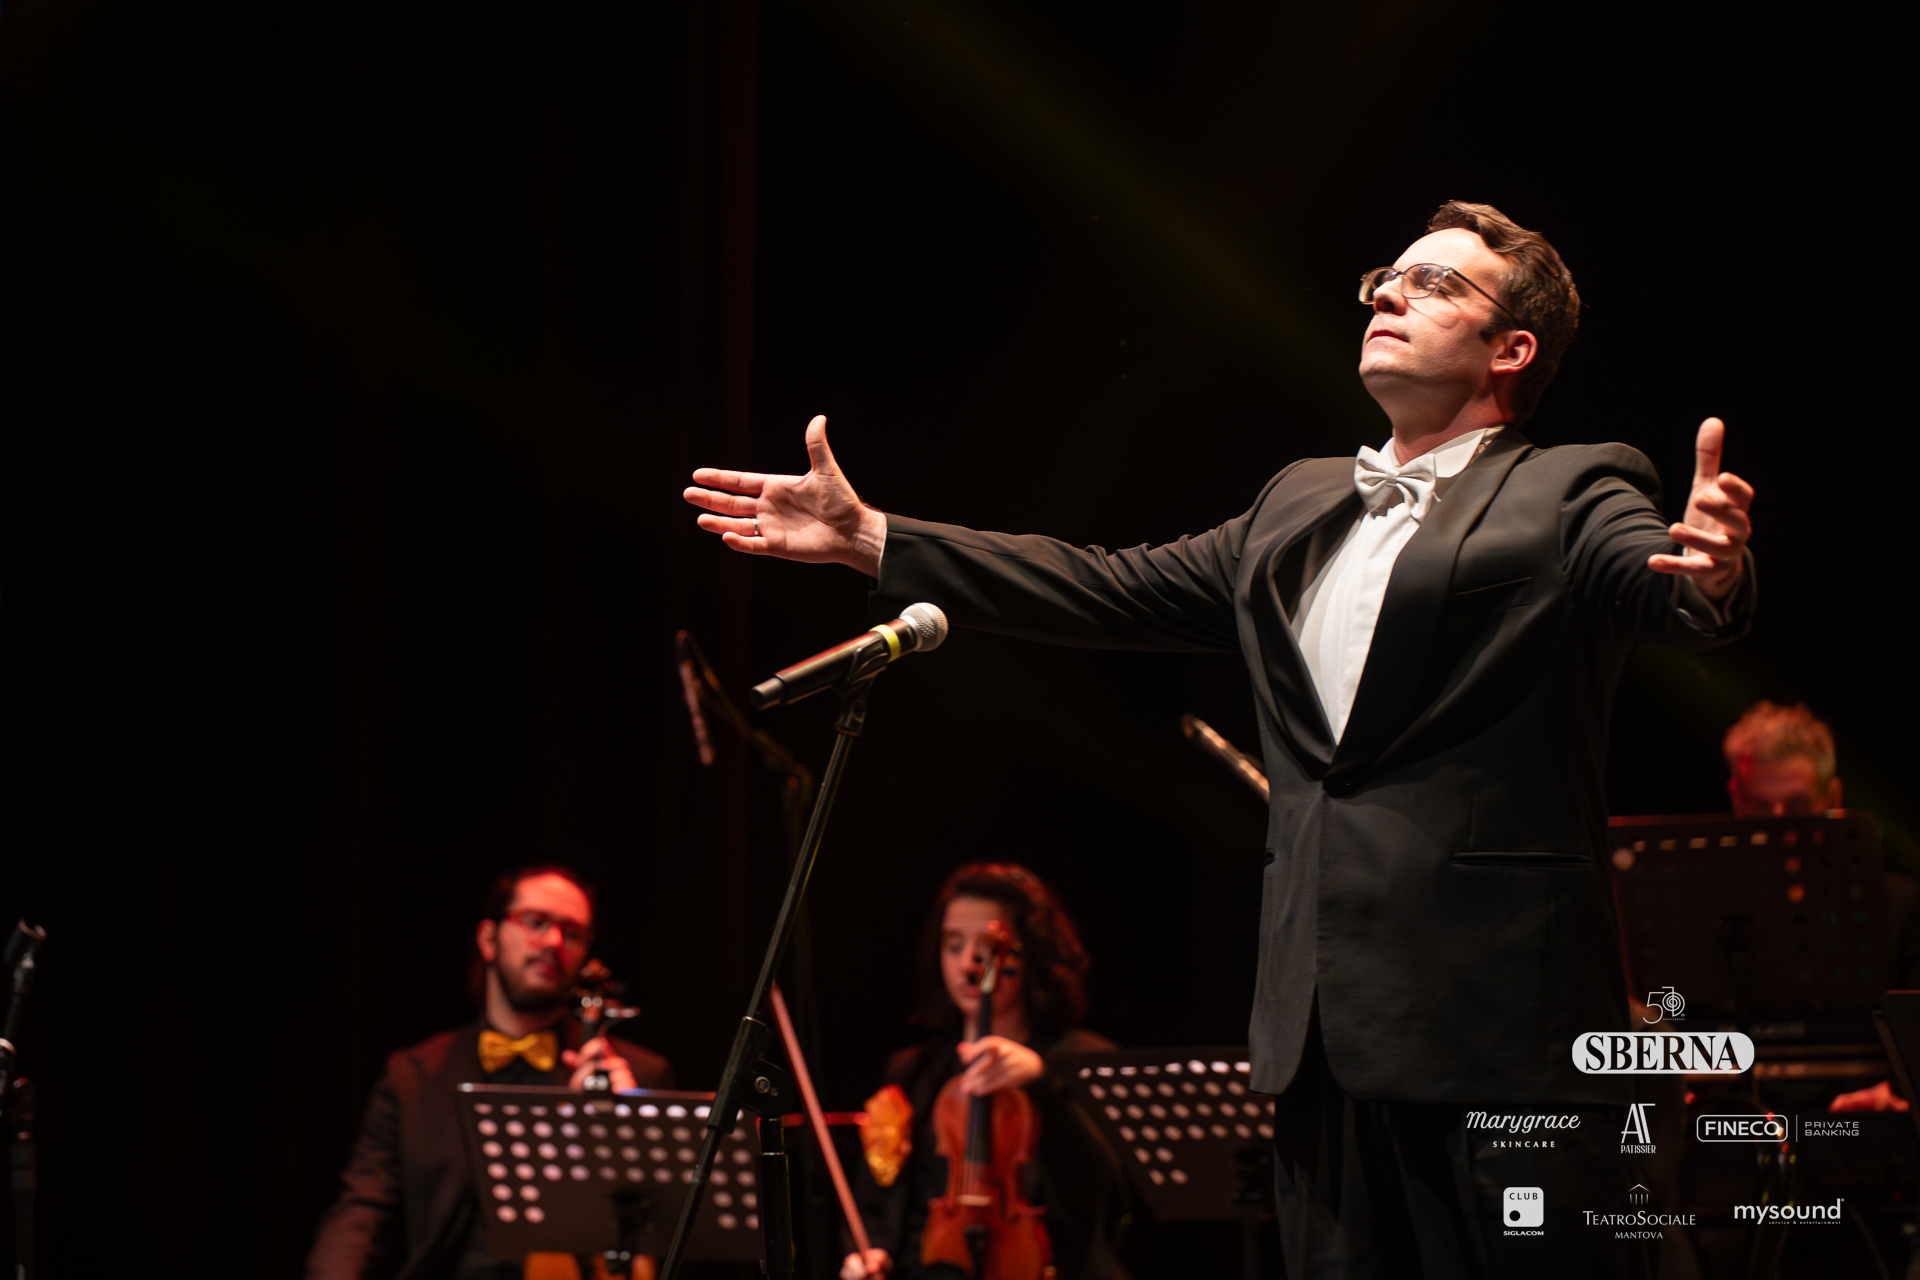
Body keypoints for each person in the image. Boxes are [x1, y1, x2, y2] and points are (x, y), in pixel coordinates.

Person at [686, 200, 1757, 1276]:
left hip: (1502, 1034)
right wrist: (874, 540)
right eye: (1385, 277)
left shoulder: (1572, 485)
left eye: (1433, 284)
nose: (1388, 293)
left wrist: (1710, 575)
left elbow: (1657, 581)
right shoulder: (1299, 499)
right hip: (1321, 1036)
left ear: (1511, 348)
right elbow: (1104, 584)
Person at [307, 867, 675, 1280]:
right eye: (535, 922)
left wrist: (619, 1130)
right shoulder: (413, 1075)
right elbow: (363, 1210)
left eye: (572, 933)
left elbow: (663, 1235)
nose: (554, 942)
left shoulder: (638, 1075)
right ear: (488, 939)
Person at [841, 863, 1128, 1280]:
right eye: (954, 945)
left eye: (988, 947)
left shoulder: (1081, 1059)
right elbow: (876, 1197)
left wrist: (1045, 1084)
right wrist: (869, 1250)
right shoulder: (914, 1069)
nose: (969, 963)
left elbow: (1105, 1191)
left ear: (1029, 954)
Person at [1720, 702, 1920, 1113]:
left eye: (1796, 806)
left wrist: (1899, 1094)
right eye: (1760, 806)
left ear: (1833, 797)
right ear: (1736, 797)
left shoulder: (1902, 907)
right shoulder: (1689, 909)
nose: (1780, 826)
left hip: (1863, 1122)